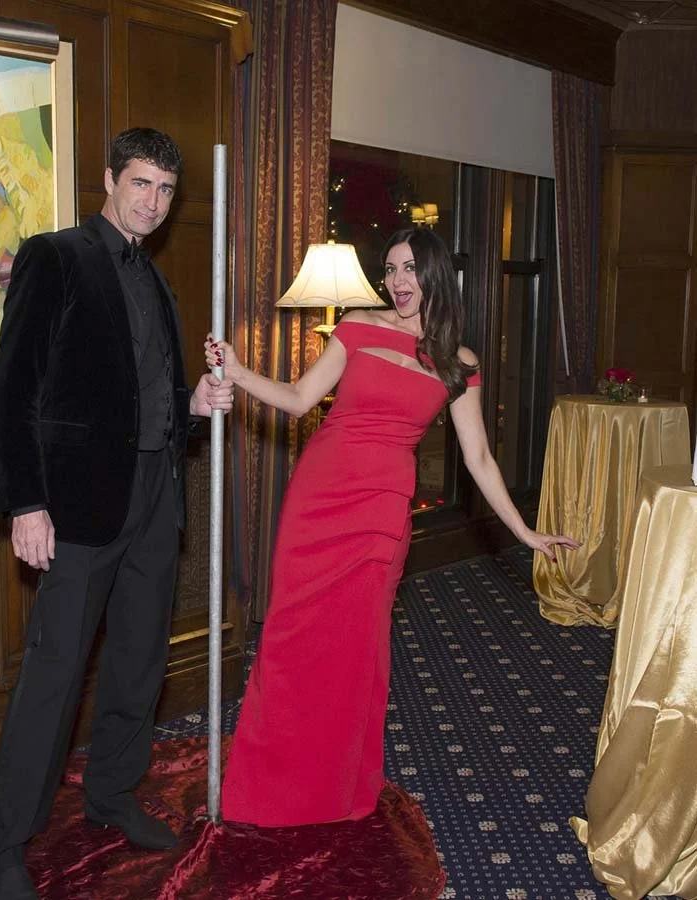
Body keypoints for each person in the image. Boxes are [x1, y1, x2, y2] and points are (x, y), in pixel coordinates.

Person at [205, 226, 578, 828]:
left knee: (355, 651)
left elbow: (480, 459)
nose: (397, 281)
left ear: (434, 275)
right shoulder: (357, 325)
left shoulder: (460, 364)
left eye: (409, 269)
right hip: (319, 499)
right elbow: (299, 398)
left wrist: (526, 532)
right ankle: (267, 786)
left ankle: (333, 788)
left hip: (381, 515)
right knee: (291, 639)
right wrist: (241, 373)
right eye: (390, 269)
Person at [0, 127, 234, 900]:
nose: (152, 202)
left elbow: (139, 396)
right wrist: (26, 502)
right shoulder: (54, 256)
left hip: (155, 497)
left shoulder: (155, 279)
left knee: (137, 660)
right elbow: (13, 390)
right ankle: (5, 840)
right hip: (77, 506)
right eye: (141, 184)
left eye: (165, 189)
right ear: (109, 180)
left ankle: (112, 794)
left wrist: (194, 405)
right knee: (54, 675)